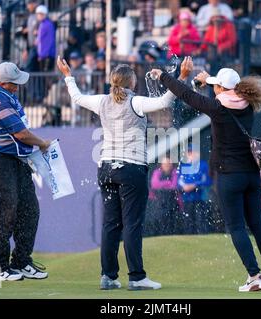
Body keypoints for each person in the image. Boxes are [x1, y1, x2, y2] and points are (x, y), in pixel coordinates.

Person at [57, 56, 189, 291]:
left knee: (110, 224)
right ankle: (136, 277)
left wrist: (68, 75)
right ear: (131, 83)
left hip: (106, 168)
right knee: (132, 224)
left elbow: (76, 97)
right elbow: (166, 100)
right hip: (131, 169)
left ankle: (108, 276)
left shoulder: (101, 101)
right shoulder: (136, 102)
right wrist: (182, 77)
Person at [150, 58, 261, 292]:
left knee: (237, 227)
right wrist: (208, 81)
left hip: (230, 176)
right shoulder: (248, 103)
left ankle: (254, 276)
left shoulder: (218, 108)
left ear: (220, 88)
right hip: (251, 174)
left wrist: (164, 77)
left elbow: (186, 95)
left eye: (216, 86)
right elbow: (221, 91)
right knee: (257, 222)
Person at [0, 62, 51, 282]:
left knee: (29, 210)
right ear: (2, 82)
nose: (17, 87)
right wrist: (42, 143)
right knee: (2, 214)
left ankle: (21, 261)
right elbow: (21, 134)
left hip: (13, 160)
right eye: (14, 84)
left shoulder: (7, 94)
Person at [177, 146, 212, 234]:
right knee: (188, 220)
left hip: (201, 198)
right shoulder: (183, 165)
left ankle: (204, 236)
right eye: (189, 153)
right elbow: (178, 180)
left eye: (192, 152)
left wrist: (195, 185)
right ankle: (188, 236)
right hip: (187, 198)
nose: (191, 154)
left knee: (201, 219)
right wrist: (184, 186)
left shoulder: (203, 165)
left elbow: (207, 181)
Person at [149, 156, 181, 235]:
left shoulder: (175, 172)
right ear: (161, 165)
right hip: (159, 202)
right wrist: (167, 183)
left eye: (169, 163)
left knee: (172, 221)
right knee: (160, 219)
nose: (167, 165)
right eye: (165, 163)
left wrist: (162, 184)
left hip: (173, 202)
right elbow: (154, 184)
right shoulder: (157, 172)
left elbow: (174, 185)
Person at [21, 0, 39, 72]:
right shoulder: (29, 15)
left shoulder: (40, 14)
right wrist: (26, 49)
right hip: (31, 46)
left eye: (29, 4)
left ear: (34, 4)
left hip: (38, 47)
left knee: (29, 68)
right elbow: (24, 30)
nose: (28, 6)